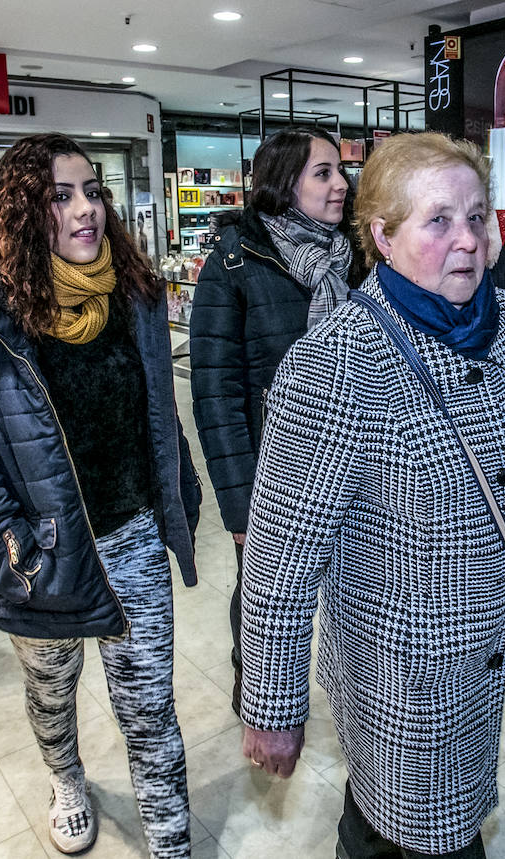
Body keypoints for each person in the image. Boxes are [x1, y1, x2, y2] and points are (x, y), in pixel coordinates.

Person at [237, 131, 505, 858]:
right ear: (382, 237)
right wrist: (271, 705)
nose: (468, 240)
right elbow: (279, 561)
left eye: (477, 216)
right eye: (439, 220)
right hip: (403, 679)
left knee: (392, 825)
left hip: (490, 646)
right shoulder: (335, 364)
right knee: (427, 833)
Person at [0, 133, 201, 856]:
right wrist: (13, 546)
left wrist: (178, 490)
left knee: (151, 710)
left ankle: (171, 843)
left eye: (92, 191)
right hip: (42, 556)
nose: (85, 209)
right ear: (18, 213)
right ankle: (66, 776)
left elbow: (158, 412)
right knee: (51, 689)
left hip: (131, 536)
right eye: (60, 196)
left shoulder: (136, 297)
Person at [188, 126, 365, 714]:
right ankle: (261, 694)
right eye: (323, 173)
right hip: (277, 475)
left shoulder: (360, 255)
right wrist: (240, 507)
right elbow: (217, 396)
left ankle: (360, 703)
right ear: (283, 184)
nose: (341, 184)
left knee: (361, 598)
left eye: (341, 171)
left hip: (362, 470)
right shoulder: (235, 262)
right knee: (266, 596)